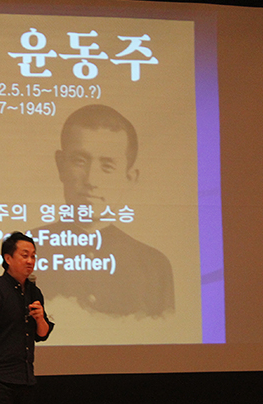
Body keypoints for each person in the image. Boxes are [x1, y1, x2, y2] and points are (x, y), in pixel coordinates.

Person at [32, 104, 175, 318]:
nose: (91, 180)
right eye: (80, 161)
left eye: (107, 166)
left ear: (129, 178)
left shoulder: (154, 266)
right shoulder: (24, 251)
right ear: (60, 165)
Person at [0, 232, 54, 403]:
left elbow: (42, 334)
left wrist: (40, 319)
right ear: (8, 258)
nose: (30, 261)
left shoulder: (34, 292)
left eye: (33, 256)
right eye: (25, 256)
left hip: (26, 379)